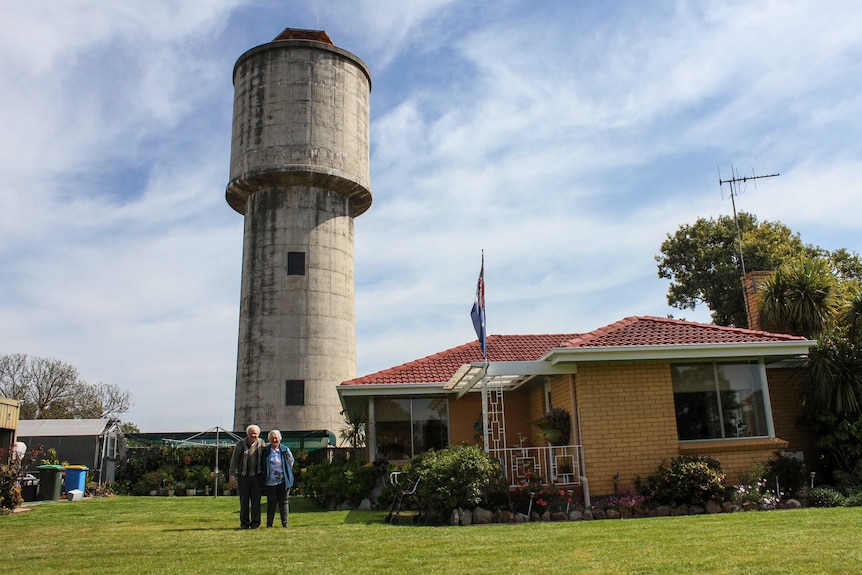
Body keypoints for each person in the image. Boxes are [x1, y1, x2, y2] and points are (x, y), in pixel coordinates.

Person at [229, 424, 266, 529]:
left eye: (255, 433)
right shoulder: (240, 444)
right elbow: (234, 460)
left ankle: (255, 523)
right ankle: (244, 523)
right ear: (247, 434)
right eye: (251, 433)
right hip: (243, 477)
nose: (253, 435)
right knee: (244, 501)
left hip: (257, 477)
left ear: (258, 434)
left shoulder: (261, 443)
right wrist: (232, 475)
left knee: (256, 501)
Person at [261, 429, 295, 528]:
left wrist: (285, 471)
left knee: (284, 501)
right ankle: (269, 524)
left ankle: (285, 524)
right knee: (271, 502)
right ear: (269, 440)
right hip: (270, 481)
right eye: (272, 438)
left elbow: (291, 461)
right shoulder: (266, 451)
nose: (274, 440)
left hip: (284, 480)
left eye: (276, 438)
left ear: (280, 439)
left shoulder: (285, 450)